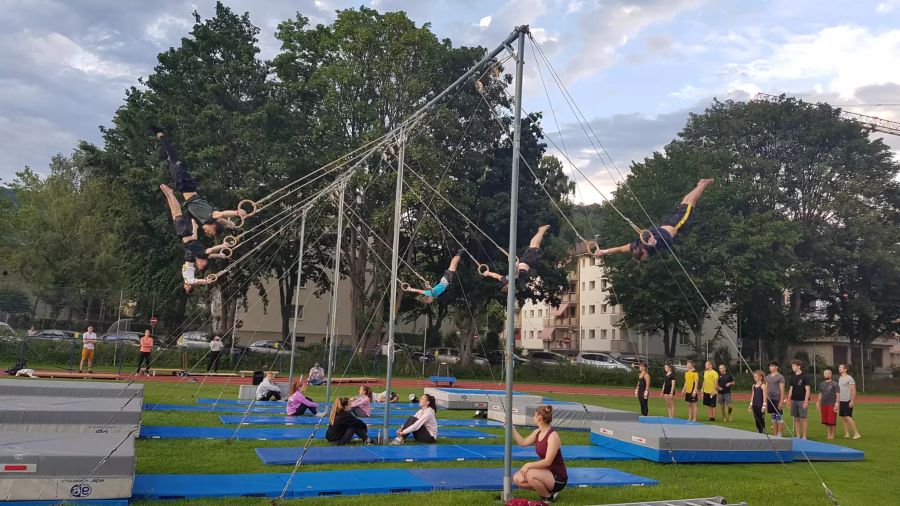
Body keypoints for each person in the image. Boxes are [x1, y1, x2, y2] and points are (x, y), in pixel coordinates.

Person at [594, 179, 714, 261]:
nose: (646, 259)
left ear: (644, 253)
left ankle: (703, 184)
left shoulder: (649, 245)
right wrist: (603, 252)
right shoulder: (635, 245)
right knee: (685, 202)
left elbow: (653, 242)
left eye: (644, 258)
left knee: (690, 203)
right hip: (667, 223)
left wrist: (653, 241)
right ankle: (700, 185)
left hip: (675, 225)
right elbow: (619, 249)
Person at [156, 131, 245, 237]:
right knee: (172, 158)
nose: (207, 233)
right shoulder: (211, 216)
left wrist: (233, 226)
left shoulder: (206, 220)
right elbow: (222, 214)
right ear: (213, 226)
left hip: (186, 188)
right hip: (186, 186)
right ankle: (160, 135)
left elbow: (222, 221)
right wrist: (237, 213)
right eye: (210, 233)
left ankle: (161, 137)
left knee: (172, 160)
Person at [161, 184, 229, 293]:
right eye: (200, 266)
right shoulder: (200, 257)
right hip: (185, 236)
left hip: (188, 238)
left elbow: (211, 254)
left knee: (175, 213)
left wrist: (221, 255)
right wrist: (223, 247)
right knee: (176, 213)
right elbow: (210, 251)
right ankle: (170, 194)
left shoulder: (199, 255)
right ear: (204, 262)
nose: (198, 265)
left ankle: (168, 195)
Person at [511, 405, 568, 503]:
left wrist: (528, 465)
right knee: (518, 479)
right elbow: (523, 442)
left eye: (534, 415)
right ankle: (549, 492)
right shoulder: (538, 432)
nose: (533, 417)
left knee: (530, 474)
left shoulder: (553, 436)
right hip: (545, 473)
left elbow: (548, 461)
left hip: (558, 477)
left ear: (539, 418)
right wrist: (511, 428)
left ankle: (547, 498)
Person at [481, 225, 551, 293]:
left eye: (513, 289)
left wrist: (515, 265)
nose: (515, 288)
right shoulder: (507, 281)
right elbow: (499, 276)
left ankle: (541, 230)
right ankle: (541, 231)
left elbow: (513, 274)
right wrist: (489, 273)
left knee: (534, 245)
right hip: (524, 261)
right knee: (533, 244)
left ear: (508, 287)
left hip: (526, 261)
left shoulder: (511, 282)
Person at [787, 359, 811, 439]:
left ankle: (804, 436)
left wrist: (806, 401)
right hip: (794, 400)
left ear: (799, 366)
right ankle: (798, 435)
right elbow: (791, 388)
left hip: (802, 400)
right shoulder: (792, 377)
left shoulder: (805, 376)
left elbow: (808, 389)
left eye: (794, 366)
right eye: (792, 366)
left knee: (803, 418)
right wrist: (788, 399)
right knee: (796, 418)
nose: (792, 367)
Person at [837, 364, 862, 439]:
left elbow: (853, 390)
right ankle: (847, 433)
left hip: (847, 400)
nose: (839, 369)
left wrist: (852, 401)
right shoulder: (840, 378)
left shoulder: (849, 378)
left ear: (845, 369)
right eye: (839, 367)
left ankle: (857, 433)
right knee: (843, 417)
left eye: (841, 367)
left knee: (848, 416)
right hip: (841, 400)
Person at [817, 368, 839, 440]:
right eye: (824, 374)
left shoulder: (835, 384)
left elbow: (837, 394)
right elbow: (820, 394)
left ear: (830, 374)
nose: (825, 375)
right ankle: (828, 434)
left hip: (831, 404)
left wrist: (837, 403)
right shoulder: (822, 384)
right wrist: (818, 402)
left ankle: (832, 435)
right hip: (824, 404)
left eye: (827, 373)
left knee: (831, 421)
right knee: (826, 421)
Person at [766, 361, 786, 436]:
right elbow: (766, 388)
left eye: (772, 366)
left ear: (776, 367)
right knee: (773, 417)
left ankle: (779, 434)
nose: (771, 367)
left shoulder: (780, 377)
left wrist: (781, 401)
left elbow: (782, 390)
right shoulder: (767, 377)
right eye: (770, 366)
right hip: (770, 399)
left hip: (777, 399)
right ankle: (775, 434)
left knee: (779, 417)